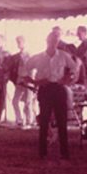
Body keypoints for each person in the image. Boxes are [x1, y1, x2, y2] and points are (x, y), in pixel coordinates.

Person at [24, 31, 77, 160]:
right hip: (45, 89)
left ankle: (65, 153)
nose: (54, 43)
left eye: (56, 41)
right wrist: (36, 82)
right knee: (44, 121)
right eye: (52, 40)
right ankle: (42, 153)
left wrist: (66, 78)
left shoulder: (64, 56)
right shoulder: (38, 57)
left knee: (62, 122)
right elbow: (25, 72)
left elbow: (74, 68)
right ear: (47, 41)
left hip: (59, 89)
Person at [10, 35, 35, 128]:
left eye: (19, 42)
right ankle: (19, 119)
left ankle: (29, 121)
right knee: (15, 101)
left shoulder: (28, 54)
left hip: (28, 79)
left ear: (24, 42)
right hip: (20, 78)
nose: (18, 44)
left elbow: (31, 67)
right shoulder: (18, 55)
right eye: (17, 42)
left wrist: (30, 79)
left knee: (28, 101)